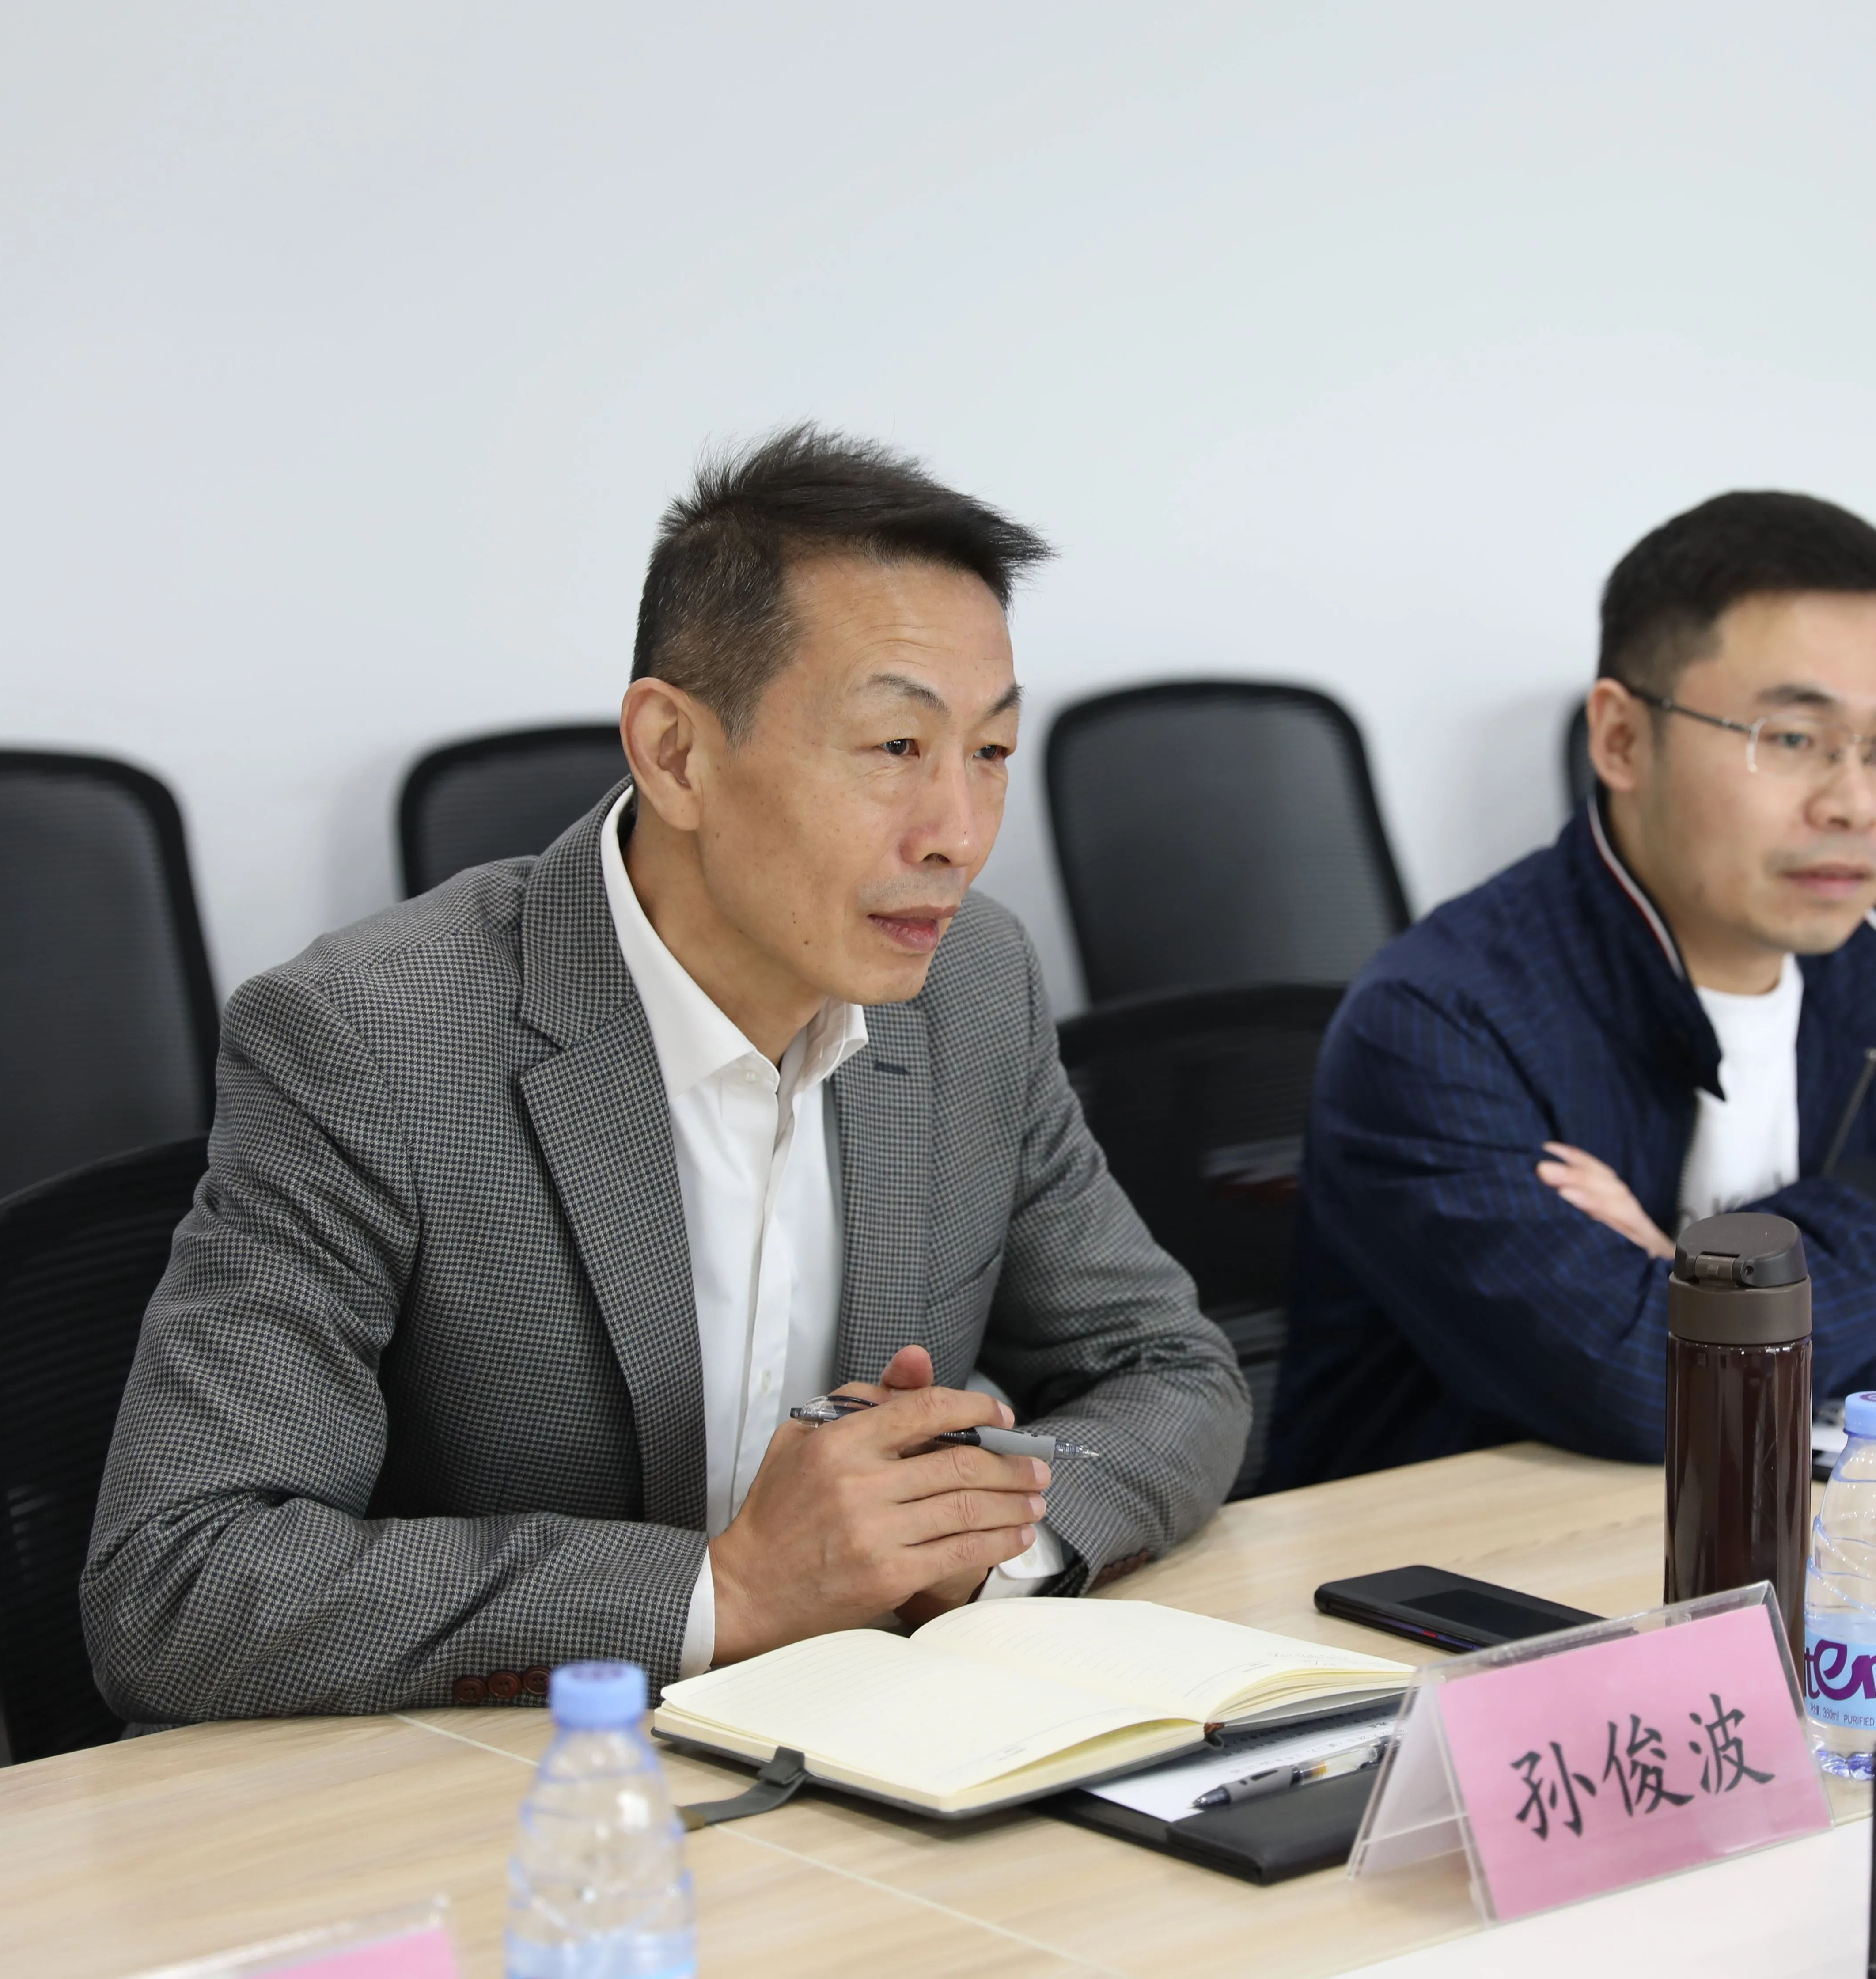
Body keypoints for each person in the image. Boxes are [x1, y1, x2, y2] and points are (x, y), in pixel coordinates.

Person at [83, 428, 1247, 1721]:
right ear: (676, 752)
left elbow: (1171, 1371)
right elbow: (178, 1579)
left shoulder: (973, 984)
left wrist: (979, 1548)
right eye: (892, 748)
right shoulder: (370, 1040)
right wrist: (725, 1592)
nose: (960, 838)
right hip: (519, 1788)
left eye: (989, 752)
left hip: (881, 1744)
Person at [1264, 492, 1876, 1488]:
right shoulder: (1439, 1022)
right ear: (1622, 739)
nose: (1855, 802)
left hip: (1778, 1533)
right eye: (1794, 738)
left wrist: (1710, 1297)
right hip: (1472, 1563)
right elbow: (1655, 1387)